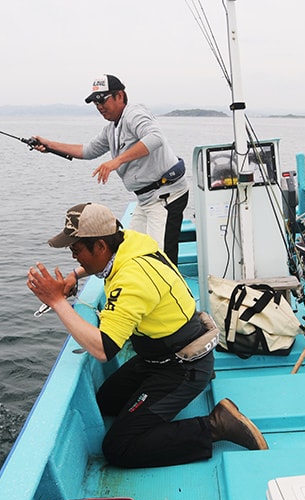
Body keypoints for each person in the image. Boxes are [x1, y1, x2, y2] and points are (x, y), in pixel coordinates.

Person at [27, 203, 268, 468]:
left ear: (101, 246)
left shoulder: (131, 279)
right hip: (157, 356)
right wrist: (75, 275)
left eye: (76, 250)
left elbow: (103, 349)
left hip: (181, 366)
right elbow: (104, 262)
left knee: (118, 448)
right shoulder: (129, 241)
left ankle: (217, 425)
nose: (74, 257)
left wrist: (57, 301)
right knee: (106, 402)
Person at [33, 74, 188, 266]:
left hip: (166, 196)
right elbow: (87, 151)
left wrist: (117, 161)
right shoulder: (111, 129)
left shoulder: (133, 114)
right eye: (95, 102)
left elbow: (155, 137)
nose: (99, 106)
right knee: (129, 251)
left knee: (161, 260)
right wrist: (49, 145)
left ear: (120, 96)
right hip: (146, 200)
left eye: (102, 100)